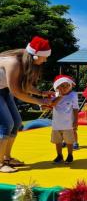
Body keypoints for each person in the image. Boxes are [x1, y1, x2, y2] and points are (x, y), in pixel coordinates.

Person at [0, 36, 53, 173]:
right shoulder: (13, 63)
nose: (45, 60)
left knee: (17, 123)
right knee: (6, 125)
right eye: (44, 57)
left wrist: (41, 93)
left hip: (3, 91)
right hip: (4, 91)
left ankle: (6, 158)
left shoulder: (24, 63)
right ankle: (0, 163)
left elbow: (26, 86)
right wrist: (40, 102)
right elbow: (17, 92)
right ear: (35, 56)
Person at [51, 75, 78, 164]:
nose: (65, 88)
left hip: (68, 124)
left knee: (69, 141)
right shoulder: (55, 95)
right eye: (62, 86)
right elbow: (53, 104)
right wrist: (60, 96)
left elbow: (75, 109)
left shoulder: (73, 95)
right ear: (57, 87)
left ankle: (70, 155)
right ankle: (59, 155)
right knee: (57, 141)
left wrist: (75, 121)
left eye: (67, 85)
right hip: (56, 124)